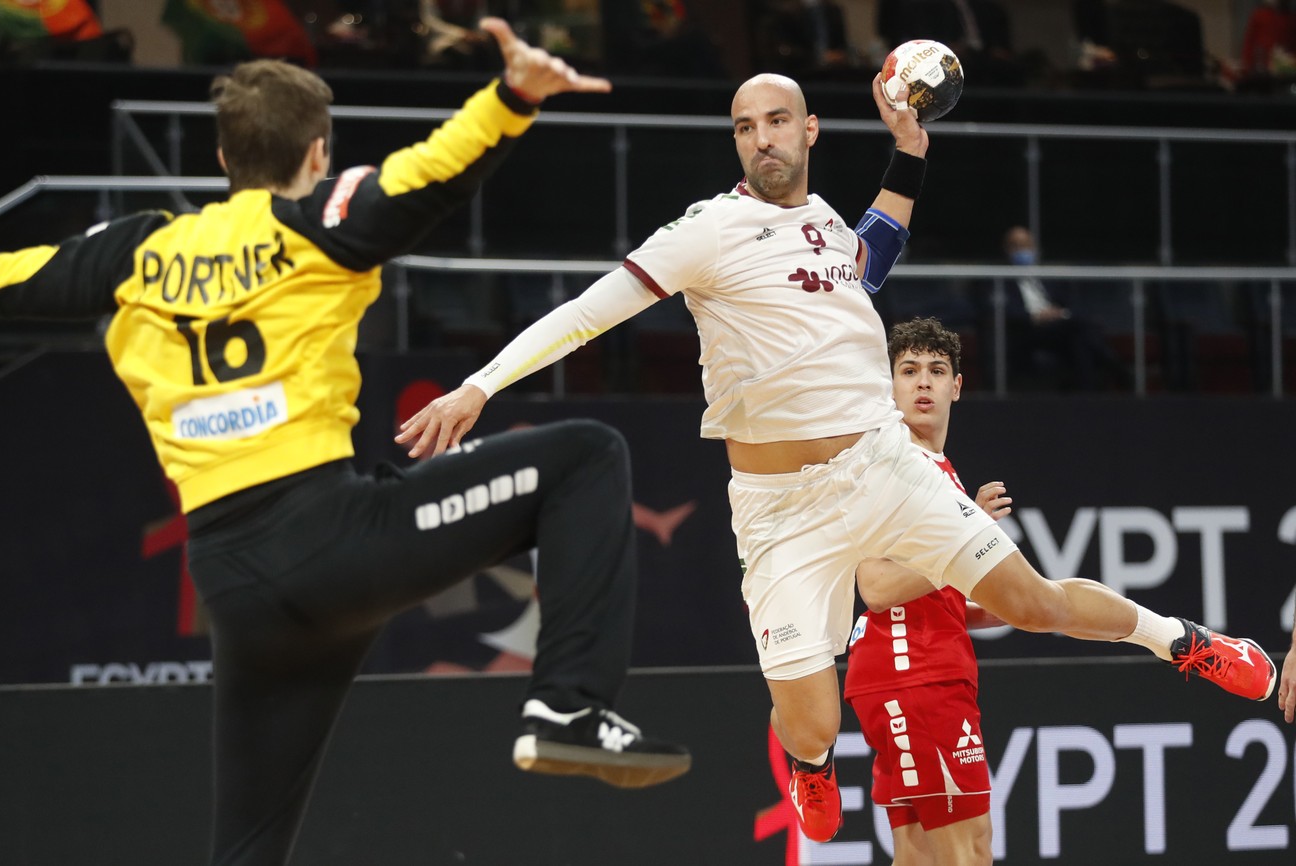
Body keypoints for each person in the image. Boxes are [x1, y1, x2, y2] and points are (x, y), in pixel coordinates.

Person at [0, 20, 692, 866]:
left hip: (234, 584)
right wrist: (513, 98)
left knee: (245, 850)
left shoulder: (134, 253)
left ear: (220, 154)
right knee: (584, 458)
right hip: (331, 536)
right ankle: (568, 702)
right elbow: (426, 177)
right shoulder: (318, 226)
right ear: (318, 152)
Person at [394, 69, 1279, 844]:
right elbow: (588, 310)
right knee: (811, 719)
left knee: (1032, 602)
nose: (761, 138)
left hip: (884, 467)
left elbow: (873, 253)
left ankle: (1185, 641)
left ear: (809, 131)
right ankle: (812, 765)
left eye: (777, 121)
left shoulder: (823, 226)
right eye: (745, 126)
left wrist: (909, 153)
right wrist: (480, 386)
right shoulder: (706, 231)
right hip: (780, 510)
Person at [845, 317, 1006, 866]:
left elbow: (936, 594)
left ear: (956, 387)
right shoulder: (897, 464)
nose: (923, 383)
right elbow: (877, 586)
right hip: (915, 676)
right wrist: (968, 531)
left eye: (937, 371)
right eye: (908, 370)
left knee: (918, 854)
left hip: (914, 672)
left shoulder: (940, 470)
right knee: (970, 850)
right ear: (887, 385)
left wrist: (1025, 607)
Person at [999, 225, 1128, 391]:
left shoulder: (1047, 277)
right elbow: (1004, 312)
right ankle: (1114, 364)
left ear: (1034, 248)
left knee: (1081, 341)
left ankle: (1086, 396)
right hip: (1028, 330)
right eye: (1015, 245)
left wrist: (1058, 313)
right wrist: (1035, 317)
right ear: (1006, 249)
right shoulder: (999, 280)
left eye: (1025, 245)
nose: (1021, 250)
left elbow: (1069, 302)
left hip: (1058, 327)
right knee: (1084, 326)